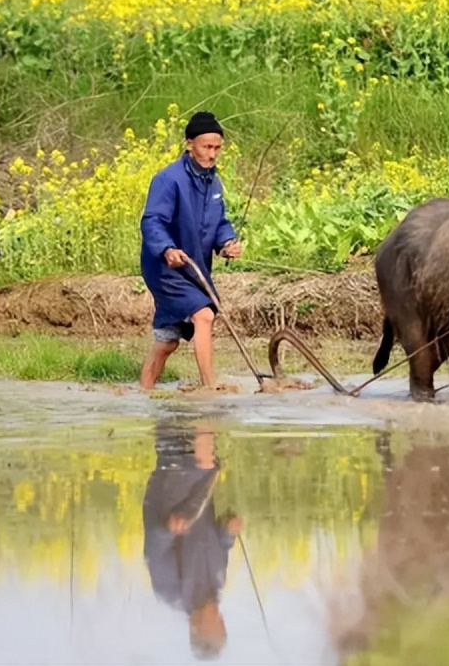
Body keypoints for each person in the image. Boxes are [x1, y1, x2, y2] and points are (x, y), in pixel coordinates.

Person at [139, 111, 243, 391]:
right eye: (206, 147)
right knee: (204, 315)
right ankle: (210, 389)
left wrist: (227, 243)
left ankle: (144, 392)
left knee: (168, 340)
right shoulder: (168, 179)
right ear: (189, 144)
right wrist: (167, 249)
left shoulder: (213, 182)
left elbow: (218, 222)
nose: (212, 154)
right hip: (165, 267)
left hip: (194, 267)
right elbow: (152, 221)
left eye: (217, 148)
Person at [142, 417, 242, 660]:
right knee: (195, 439)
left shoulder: (170, 591)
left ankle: (202, 406)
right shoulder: (218, 583)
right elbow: (220, 544)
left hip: (170, 489)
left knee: (199, 451)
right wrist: (229, 532)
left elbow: (154, 549)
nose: (219, 617)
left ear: (195, 629)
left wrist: (168, 529)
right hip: (199, 485)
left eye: (214, 625)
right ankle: (197, 406)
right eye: (221, 624)